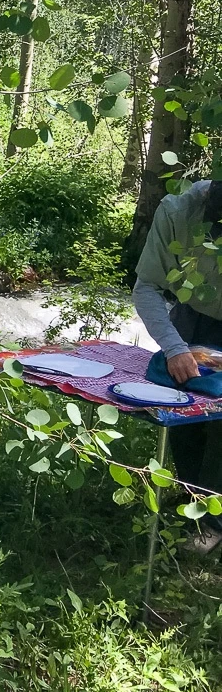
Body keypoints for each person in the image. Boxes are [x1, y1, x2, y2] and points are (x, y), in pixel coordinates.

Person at [132, 178, 222, 554]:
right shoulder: (176, 212)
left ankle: (213, 521)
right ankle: (194, 503)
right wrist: (174, 348)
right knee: (187, 412)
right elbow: (146, 287)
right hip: (192, 319)